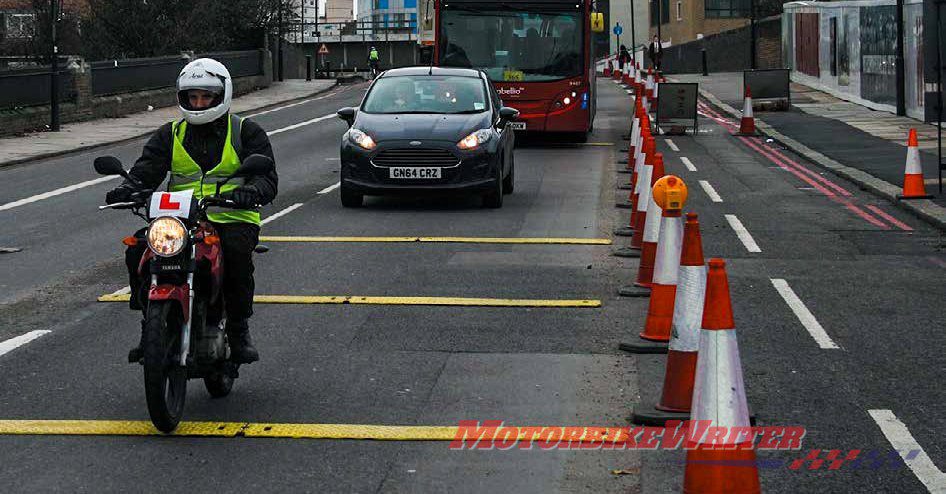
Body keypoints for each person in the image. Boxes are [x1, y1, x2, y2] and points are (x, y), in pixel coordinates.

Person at [105, 58, 278, 365]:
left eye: (206, 96)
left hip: (231, 215)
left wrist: (251, 190)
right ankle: (150, 326)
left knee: (237, 257)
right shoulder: (170, 134)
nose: (198, 103)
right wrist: (130, 188)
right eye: (193, 97)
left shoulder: (246, 132)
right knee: (139, 249)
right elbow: (148, 169)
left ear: (221, 95)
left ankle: (238, 330)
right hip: (179, 219)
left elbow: (266, 178)